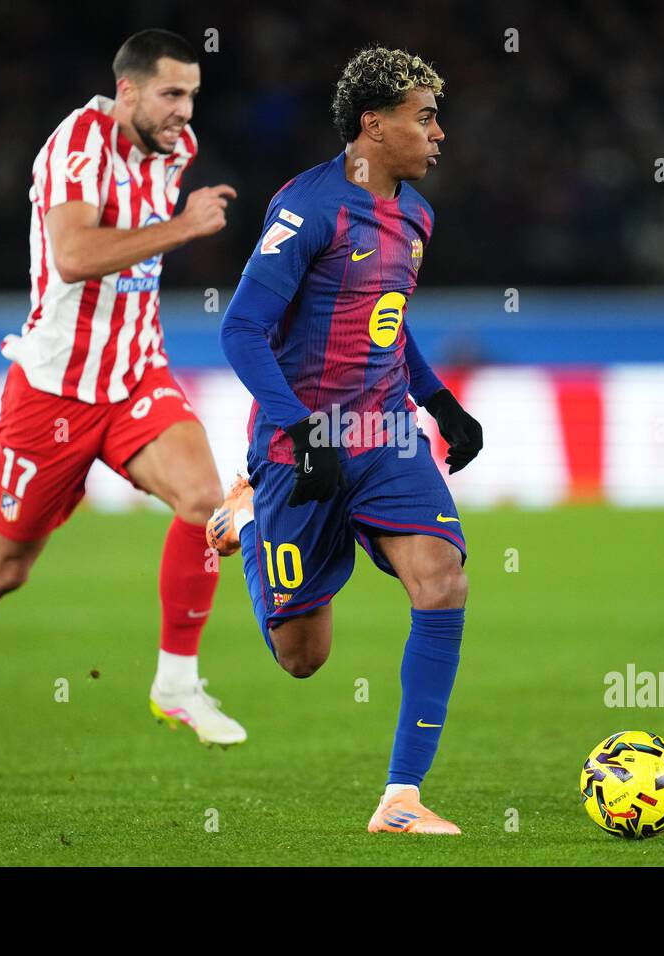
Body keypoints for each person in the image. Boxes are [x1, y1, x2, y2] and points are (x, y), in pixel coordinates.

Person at [0, 29, 247, 751]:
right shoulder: (75, 149)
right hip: (53, 393)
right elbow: (75, 255)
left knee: (206, 502)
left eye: (193, 95)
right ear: (130, 91)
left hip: (137, 371)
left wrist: (175, 224)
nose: (185, 111)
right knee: (6, 566)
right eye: (172, 94)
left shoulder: (179, 148)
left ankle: (176, 681)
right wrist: (182, 228)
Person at [207, 47, 483, 833]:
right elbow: (242, 329)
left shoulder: (419, 217)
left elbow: (386, 323)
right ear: (375, 123)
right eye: (425, 116)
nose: (439, 133)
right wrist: (297, 429)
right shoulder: (309, 206)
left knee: (443, 579)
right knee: (303, 656)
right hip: (303, 441)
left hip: (386, 433)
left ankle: (401, 798)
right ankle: (252, 513)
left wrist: (439, 404)